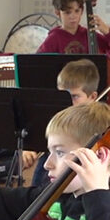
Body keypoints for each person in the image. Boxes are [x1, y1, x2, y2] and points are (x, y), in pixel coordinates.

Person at [26, 59, 102, 187]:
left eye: (75, 96)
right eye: (62, 95)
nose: (67, 102)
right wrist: (28, 148)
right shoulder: (56, 117)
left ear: (93, 97)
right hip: (53, 171)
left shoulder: (96, 123)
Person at [37, 0, 110, 55]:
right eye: (67, 12)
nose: (73, 16)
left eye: (77, 11)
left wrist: (107, 32)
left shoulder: (88, 35)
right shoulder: (54, 38)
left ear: (82, 11)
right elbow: (38, 62)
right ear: (57, 13)